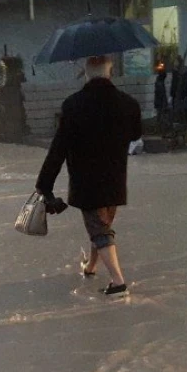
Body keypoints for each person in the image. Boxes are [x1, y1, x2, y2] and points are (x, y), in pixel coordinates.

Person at [35, 55, 143, 298]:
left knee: (99, 229)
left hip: (87, 181)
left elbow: (58, 148)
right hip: (115, 178)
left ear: (86, 73)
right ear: (110, 71)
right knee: (101, 225)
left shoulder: (73, 105)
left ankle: (118, 283)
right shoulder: (128, 103)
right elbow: (136, 134)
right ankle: (92, 266)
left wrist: (44, 184)